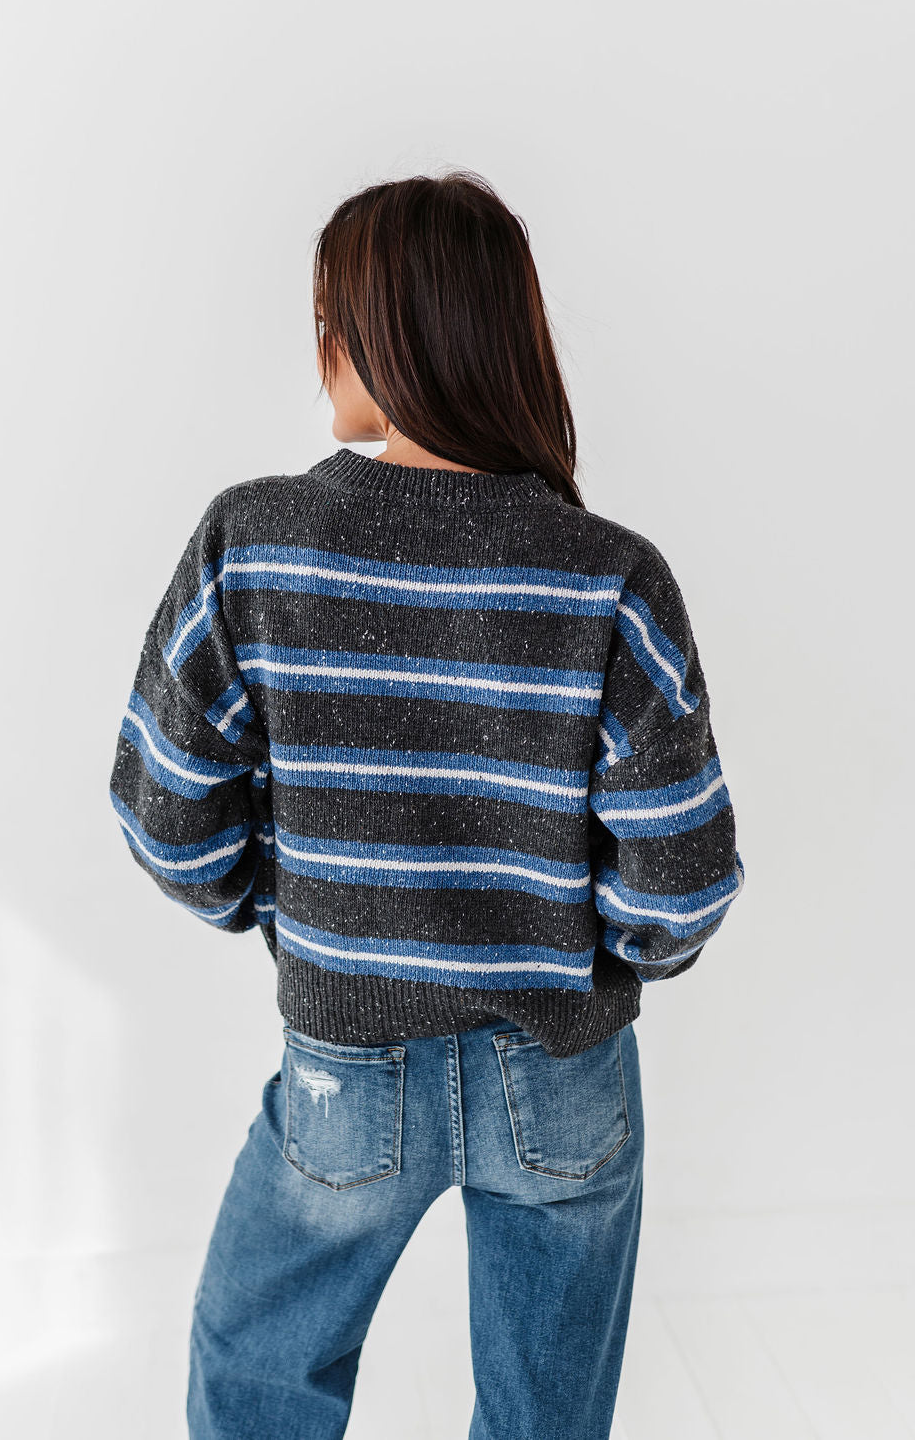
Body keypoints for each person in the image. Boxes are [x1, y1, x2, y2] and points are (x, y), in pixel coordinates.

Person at [108, 169, 745, 1440]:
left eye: (330, 320)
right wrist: (588, 959)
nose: (321, 350)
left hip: (345, 1068)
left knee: (254, 1372)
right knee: (544, 1418)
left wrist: (292, 912)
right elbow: (681, 885)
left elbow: (165, 817)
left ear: (384, 336)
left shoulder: (254, 543)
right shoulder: (612, 577)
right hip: (563, 1075)